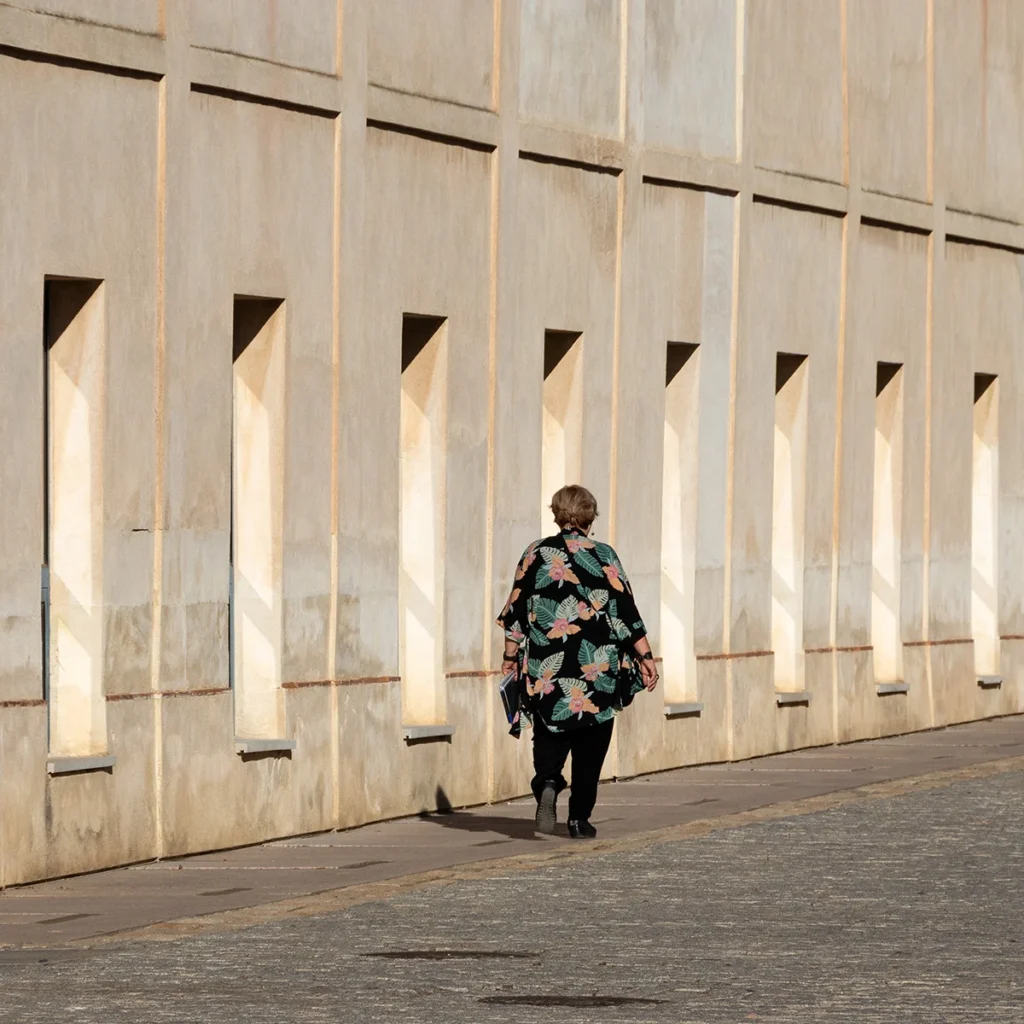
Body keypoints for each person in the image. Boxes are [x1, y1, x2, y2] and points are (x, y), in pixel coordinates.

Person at [496, 484, 658, 839]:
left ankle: (548, 781)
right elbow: (625, 612)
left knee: (549, 733)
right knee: (592, 742)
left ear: (557, 514)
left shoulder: (534, 554)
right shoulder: (604, 556)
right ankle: (578, 819)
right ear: (589, 517)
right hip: (596, 670)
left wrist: (510, 658)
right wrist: (645, 656)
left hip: (547, 671)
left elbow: (516, 613)